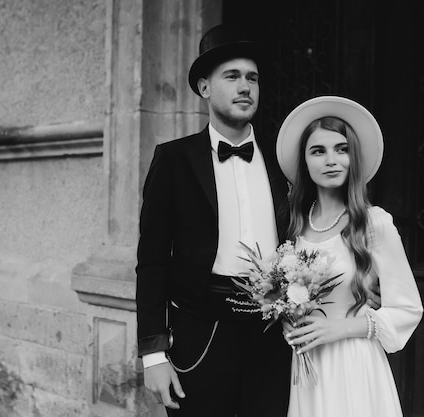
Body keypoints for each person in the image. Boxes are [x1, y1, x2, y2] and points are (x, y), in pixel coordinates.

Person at [135, 24, 293, 417]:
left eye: (252, 78)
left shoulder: (285, 161)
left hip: (272, 335)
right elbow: (152, 260)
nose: (246, 87)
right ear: (205, 87)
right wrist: (153, 354)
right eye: (232, 76)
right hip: (200, 333)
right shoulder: (173, 160)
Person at [275, 96, 424, 417]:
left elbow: (407, 308)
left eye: (341, 149)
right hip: (308, 369)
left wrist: (340, 329)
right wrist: (287, 321)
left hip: (354, 364)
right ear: (304, 162)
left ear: (352, 157)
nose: (331, 160)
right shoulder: (294, 227)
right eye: (318, 151)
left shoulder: (374, 223)